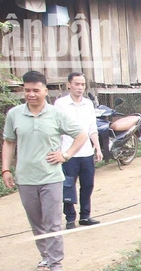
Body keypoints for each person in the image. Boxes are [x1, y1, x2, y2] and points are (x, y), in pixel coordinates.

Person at [2, 71, 88, 271]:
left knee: (53, 222)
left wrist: (65, 155)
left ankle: (56, 263)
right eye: (27, 90)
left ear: (45, 91)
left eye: (36, 90)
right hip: (25, 178)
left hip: (51, 177)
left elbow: (81, 134)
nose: (31, 94)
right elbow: (9, 142)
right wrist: (5, 169)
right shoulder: (14, 114)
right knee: (36, 222)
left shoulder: (55, 114)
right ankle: (45, 256)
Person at [54, 72, 103, 229]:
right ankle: (70, 218)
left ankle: (85, 216)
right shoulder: (60, 104)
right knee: (68, 185)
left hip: (87, 152)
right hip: (68, 153)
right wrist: (60, 152)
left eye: (82, 84)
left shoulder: (88, 104)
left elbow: (91, 128)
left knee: (87, 185)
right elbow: (57, 130)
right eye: (77, 84)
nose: (80, 87)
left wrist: (98, 147)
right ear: (69, 85)